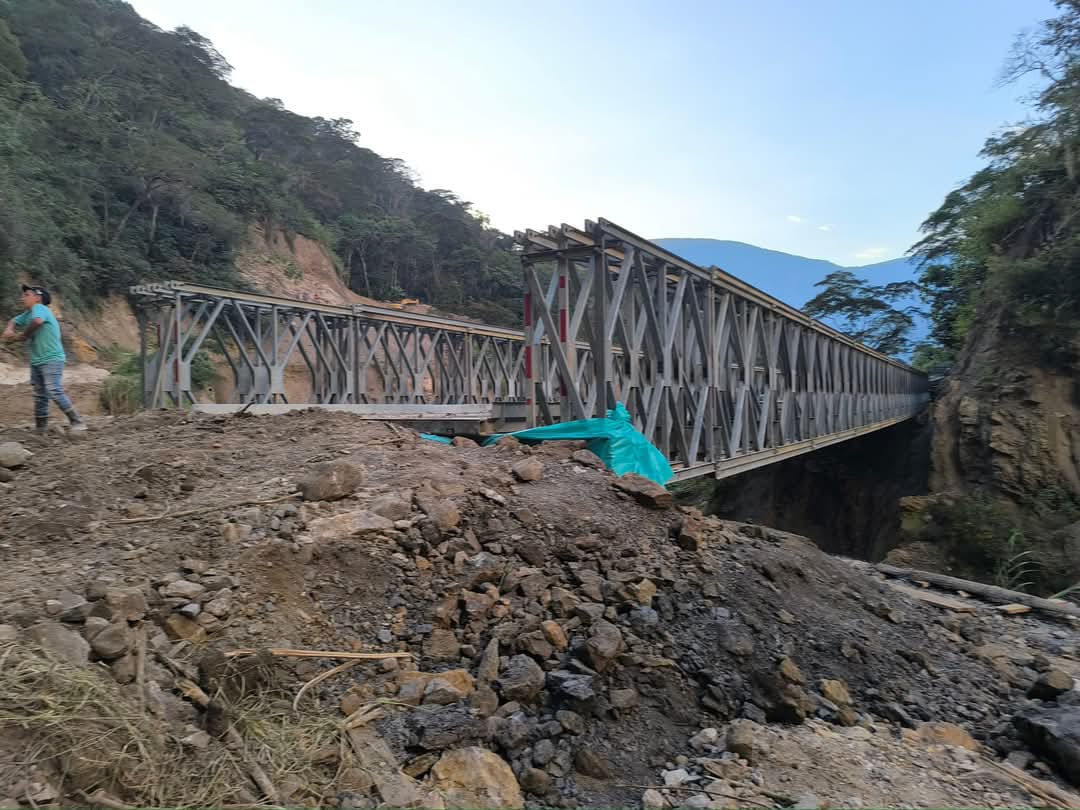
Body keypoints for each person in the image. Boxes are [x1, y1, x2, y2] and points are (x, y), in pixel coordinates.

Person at [2, 284, 87, 434]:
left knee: (54, 390)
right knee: (40, 394)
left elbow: (38, 322)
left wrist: (22, 336)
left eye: (26, 295)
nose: (23, 298)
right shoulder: (28, 313)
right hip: (37, 360)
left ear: (38, 297)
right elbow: (13, 321)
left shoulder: (39, 308)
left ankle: (77, 422)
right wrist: (9, 330)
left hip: (52, 358)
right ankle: (41, 428)